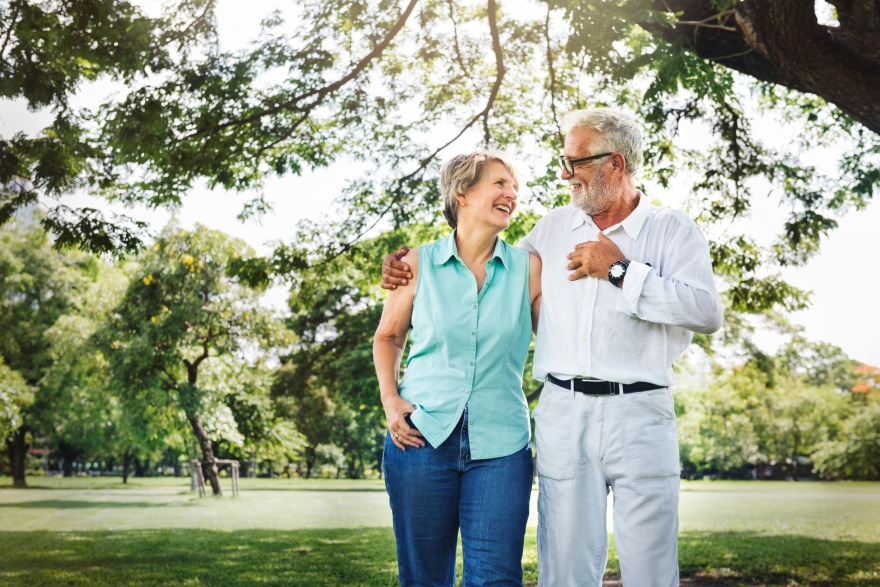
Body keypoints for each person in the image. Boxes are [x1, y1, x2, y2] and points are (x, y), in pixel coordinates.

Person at [382, 108, 723, 586]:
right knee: (563, 568)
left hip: (640, 412)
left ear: (616, 164)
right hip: (562, 412)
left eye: (575, 162)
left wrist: (621, 270)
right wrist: (408, 268)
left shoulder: (671, 230)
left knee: (649, 566)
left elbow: (706, 312)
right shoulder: (555, 226)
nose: (564, 174)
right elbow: (483, 263)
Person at [374, 149, 542, 587]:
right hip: (420, 438)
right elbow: (388, 338)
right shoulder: (417, 264)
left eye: (514, 186)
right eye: (500, 184)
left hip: (502, 446)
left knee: (496, 579)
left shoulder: (530, 269)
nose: (512, 194)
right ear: (462, 193)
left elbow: (561, 342)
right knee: (424, 578)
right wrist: (391, 402)